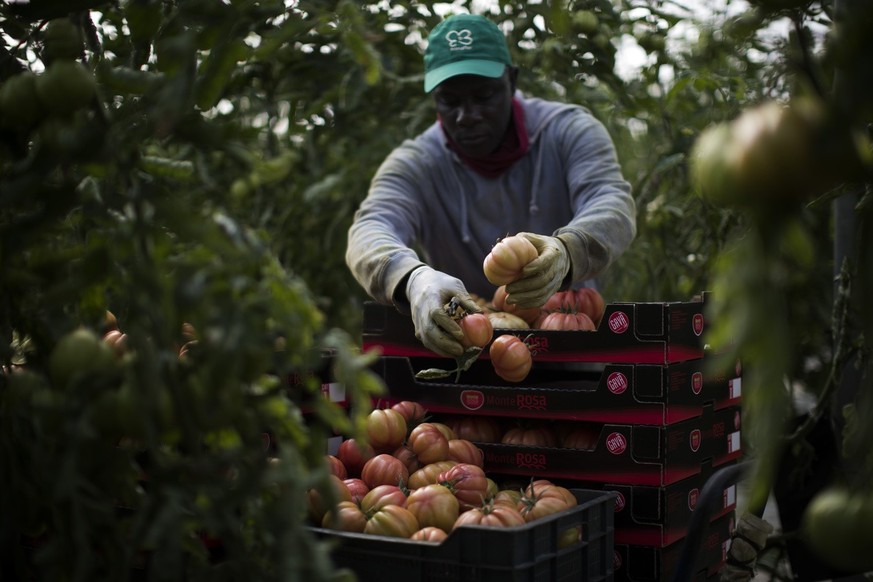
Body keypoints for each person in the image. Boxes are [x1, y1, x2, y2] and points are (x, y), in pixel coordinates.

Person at [346, 13, 636, 359]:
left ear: (511, 81)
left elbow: (612, 202)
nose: (467, 115)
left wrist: (568, 250)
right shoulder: (417, 164)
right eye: (450, 101)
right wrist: (412, 279)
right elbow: (370, 227)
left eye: (484, 96)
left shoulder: (568, 132)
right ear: (433, 98)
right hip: (465, 357)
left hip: (568, 347)